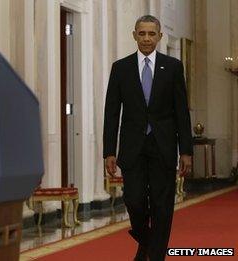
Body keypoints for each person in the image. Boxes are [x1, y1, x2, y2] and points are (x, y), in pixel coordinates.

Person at [103, 15, 193, 261]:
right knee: (134, 201)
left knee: (162, 206)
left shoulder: (173, 67)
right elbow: (111, 112)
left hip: (163, 146)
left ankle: (155, 256)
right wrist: (109, 151)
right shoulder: (120, 68)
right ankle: (147, 244)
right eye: (142, 33)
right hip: (132, 147)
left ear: (160, 37)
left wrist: (186, 150)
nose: (146, 38)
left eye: (151, 34)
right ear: (134, 35)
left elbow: (181, 111)